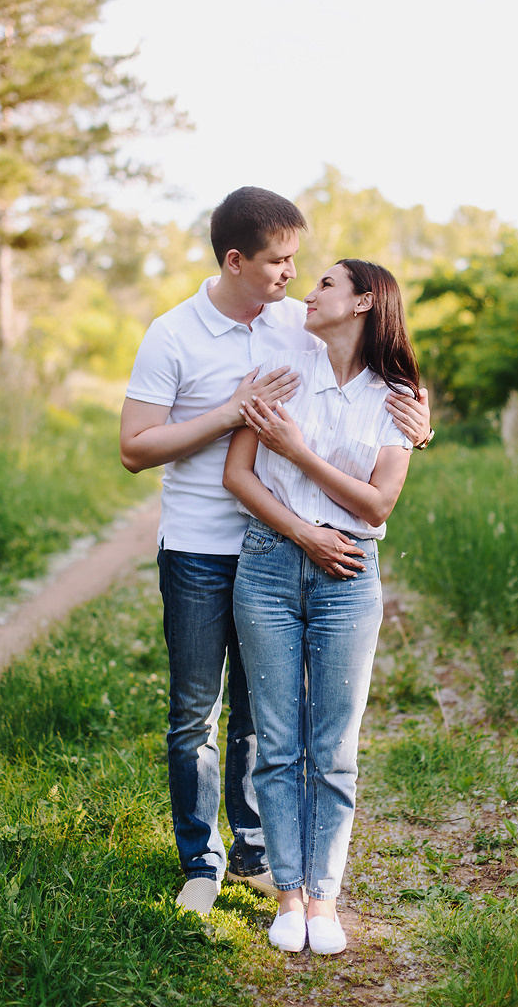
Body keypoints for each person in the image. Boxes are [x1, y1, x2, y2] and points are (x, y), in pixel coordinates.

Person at [120, 189, 432, 917]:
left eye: (299, 260)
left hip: (274, 548)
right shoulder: (173, 335)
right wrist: (234, 409)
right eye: (278, 261)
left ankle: (257, 853)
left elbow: (373, 369)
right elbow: (135, 449)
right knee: (197, 711)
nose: (292, 274)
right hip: (201, 546)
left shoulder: (296, 322)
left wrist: (419, 425)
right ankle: (201, 859)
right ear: (236, 261)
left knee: (264, 716)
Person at [223, 258, 420, 955]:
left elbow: (376, 503)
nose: (309, 292)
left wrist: (300, 453)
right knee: (277, 744)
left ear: (365, 302)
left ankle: (325, 900)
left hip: (349, 571)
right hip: (270, 565)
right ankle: (288, 894)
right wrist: (300, 531)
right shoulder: (283, 373)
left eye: (327, 285)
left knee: (333, 749)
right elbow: (237, 474)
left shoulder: (398, 398)